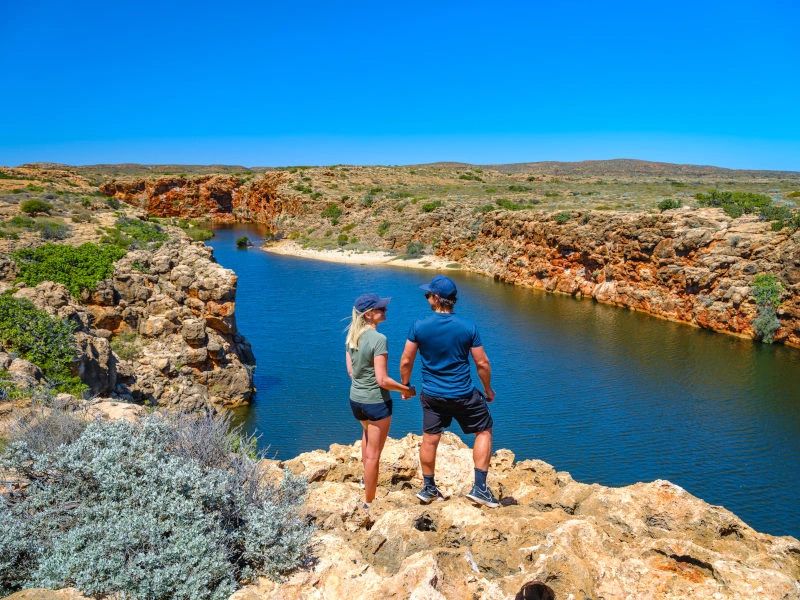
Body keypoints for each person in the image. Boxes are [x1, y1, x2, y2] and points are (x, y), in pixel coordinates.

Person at [399, 275, 499, 508]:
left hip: (433, 395)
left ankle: (428, 487)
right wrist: (487, 389)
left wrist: (406, 386)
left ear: (436, 298)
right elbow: (482, 363)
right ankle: (480, 489)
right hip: (463, 394)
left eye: (428, 295)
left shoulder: (419, 326)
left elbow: (406, 360)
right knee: (483, 431)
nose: (427, 298)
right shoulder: (468, 327)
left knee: (430, 439)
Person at [345, 293, 415, 510]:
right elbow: (382, 380)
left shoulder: (351, 337)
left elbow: (351, 372)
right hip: (376, 403)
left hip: (356, 400)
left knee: (366, 437)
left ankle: (365, 483)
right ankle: (369, 502)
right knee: (374, 455)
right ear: (368, 315)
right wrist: (406, 389)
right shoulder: (378, 339)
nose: (385, 311)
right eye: (380, 309)